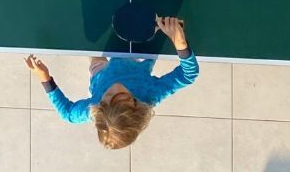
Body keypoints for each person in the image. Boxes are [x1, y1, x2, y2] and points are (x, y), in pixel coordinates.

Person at [25, 15, 198, 149]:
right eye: (122, 95)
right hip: (137, 60)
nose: (114, 88)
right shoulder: (150, 95)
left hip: (101, 74)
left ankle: (95, 52)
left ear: (99, 108)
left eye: (107, 96)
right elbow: (188, 74)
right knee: (145, 29)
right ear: (136, 104)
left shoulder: (94, 109)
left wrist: (45, 79)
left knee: (95, 57)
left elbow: (67, 113)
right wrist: (181, 44)